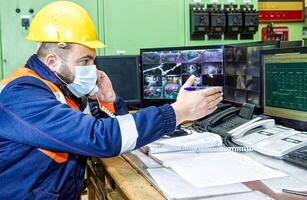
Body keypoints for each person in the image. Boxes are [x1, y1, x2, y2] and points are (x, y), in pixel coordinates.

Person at [0, 1, 223, 199]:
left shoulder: (60, 88)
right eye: (85, 60)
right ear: (52, 61)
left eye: (93, 60)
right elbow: (100, 138)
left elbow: (117, 131)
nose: (92, 69)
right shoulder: (23, 95)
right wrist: (177, 112)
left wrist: (110, 99)